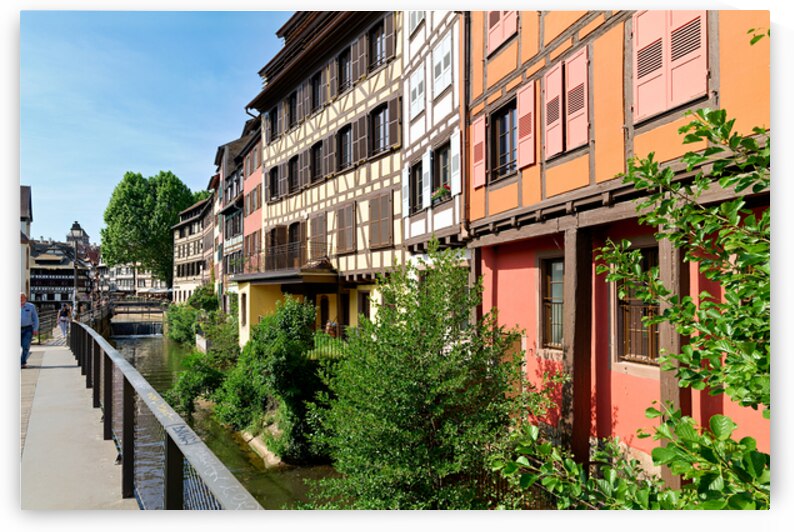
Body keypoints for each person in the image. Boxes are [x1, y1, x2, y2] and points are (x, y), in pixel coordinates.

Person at [20, 293, 39, 369]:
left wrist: (35, 329)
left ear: (25, 298)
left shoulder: (31, 306)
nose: (20, 299)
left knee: (25, 346)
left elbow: (35, 318)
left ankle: (22, 362)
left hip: (28, 329)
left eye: (22, 297)